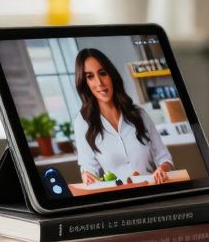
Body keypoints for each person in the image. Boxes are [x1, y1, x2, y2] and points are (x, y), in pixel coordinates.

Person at [72, 47, 173, 185]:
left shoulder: (139, 114)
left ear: (111, 75)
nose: (99, 83)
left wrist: (162, 169)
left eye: (102, 73)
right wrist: (87, 176)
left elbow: (164, 157)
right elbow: (88, 166)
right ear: (85, 83)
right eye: (90, 76)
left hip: (153, 191)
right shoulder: (83, 122)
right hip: (119, 198)